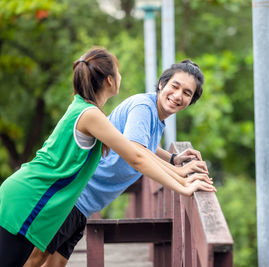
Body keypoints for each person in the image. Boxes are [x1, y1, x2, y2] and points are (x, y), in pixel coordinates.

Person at [0, 48, 215, 267]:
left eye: (187, 93)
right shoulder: (107, 112)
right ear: (110, 80)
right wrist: (182, 183)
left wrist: (172, 160)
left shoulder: (94, 111)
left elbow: (143, 148)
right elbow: (137, 155)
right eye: (175, 87)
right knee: (33, 261)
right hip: (48, 198)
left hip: (72, 202)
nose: (179, 95)